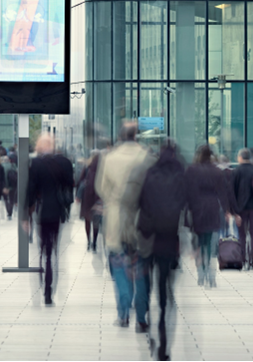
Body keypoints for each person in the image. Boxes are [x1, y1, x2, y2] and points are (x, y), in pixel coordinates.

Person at [95, 121, 156, 330]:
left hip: (115, 218)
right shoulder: (147, 157)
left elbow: (101, 188)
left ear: (120, 137)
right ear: (136, 136)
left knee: (119, 264)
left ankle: (123, 312)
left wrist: (114, 201)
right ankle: (141, 316)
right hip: (141, 219)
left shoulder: (109, 158)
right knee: (140, 267)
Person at [137, 141, 187, 361]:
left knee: (149, 277)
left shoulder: (150, 173)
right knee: (166, 285)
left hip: (151, 235)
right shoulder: (180, 174)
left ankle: (150, 319)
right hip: (170, 236)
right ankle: (164, 344)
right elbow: (186, 203)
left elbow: (142, 201)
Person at [27, 134, 72, 306]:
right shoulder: (63, 163)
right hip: (57, 211)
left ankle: (45, 286)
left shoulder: (36, 164)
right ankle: (50, 289)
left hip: (43, 211)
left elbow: (31, 189)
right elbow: (69, 185)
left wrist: (27, 213)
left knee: (44, 250)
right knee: (54, 249)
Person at [186, 145, 232, 287]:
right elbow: (222, 193)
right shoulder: (217, 172)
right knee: (212, 246)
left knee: (199, 244)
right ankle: (212, 277)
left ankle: (201, 274)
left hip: (197, 209)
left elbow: (186, 191)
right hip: (213, 209)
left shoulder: (191, 170)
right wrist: (226, 210)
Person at [232, 148, 253, 270]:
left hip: (241, 209)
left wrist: (233, 210)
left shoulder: (237, 171)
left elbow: (232, 191)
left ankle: (242, 259)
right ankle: (251, 260)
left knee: (242, 235)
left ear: (240, 157)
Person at [78, 151, 102, 252]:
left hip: (87, 197)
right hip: (97, 197)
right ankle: (95, 243)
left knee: (87, 220)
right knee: (95, 221)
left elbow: (80, 180)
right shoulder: (102, 169)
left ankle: (88, 241)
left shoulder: (87, 167)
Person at [3, 156, 17, 221]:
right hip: (12, 186)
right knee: (11, 199)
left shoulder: (1, 166)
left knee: (5, 199)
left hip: (4, 186)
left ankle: (8, 211)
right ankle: (10, 212)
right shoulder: (13, 165)